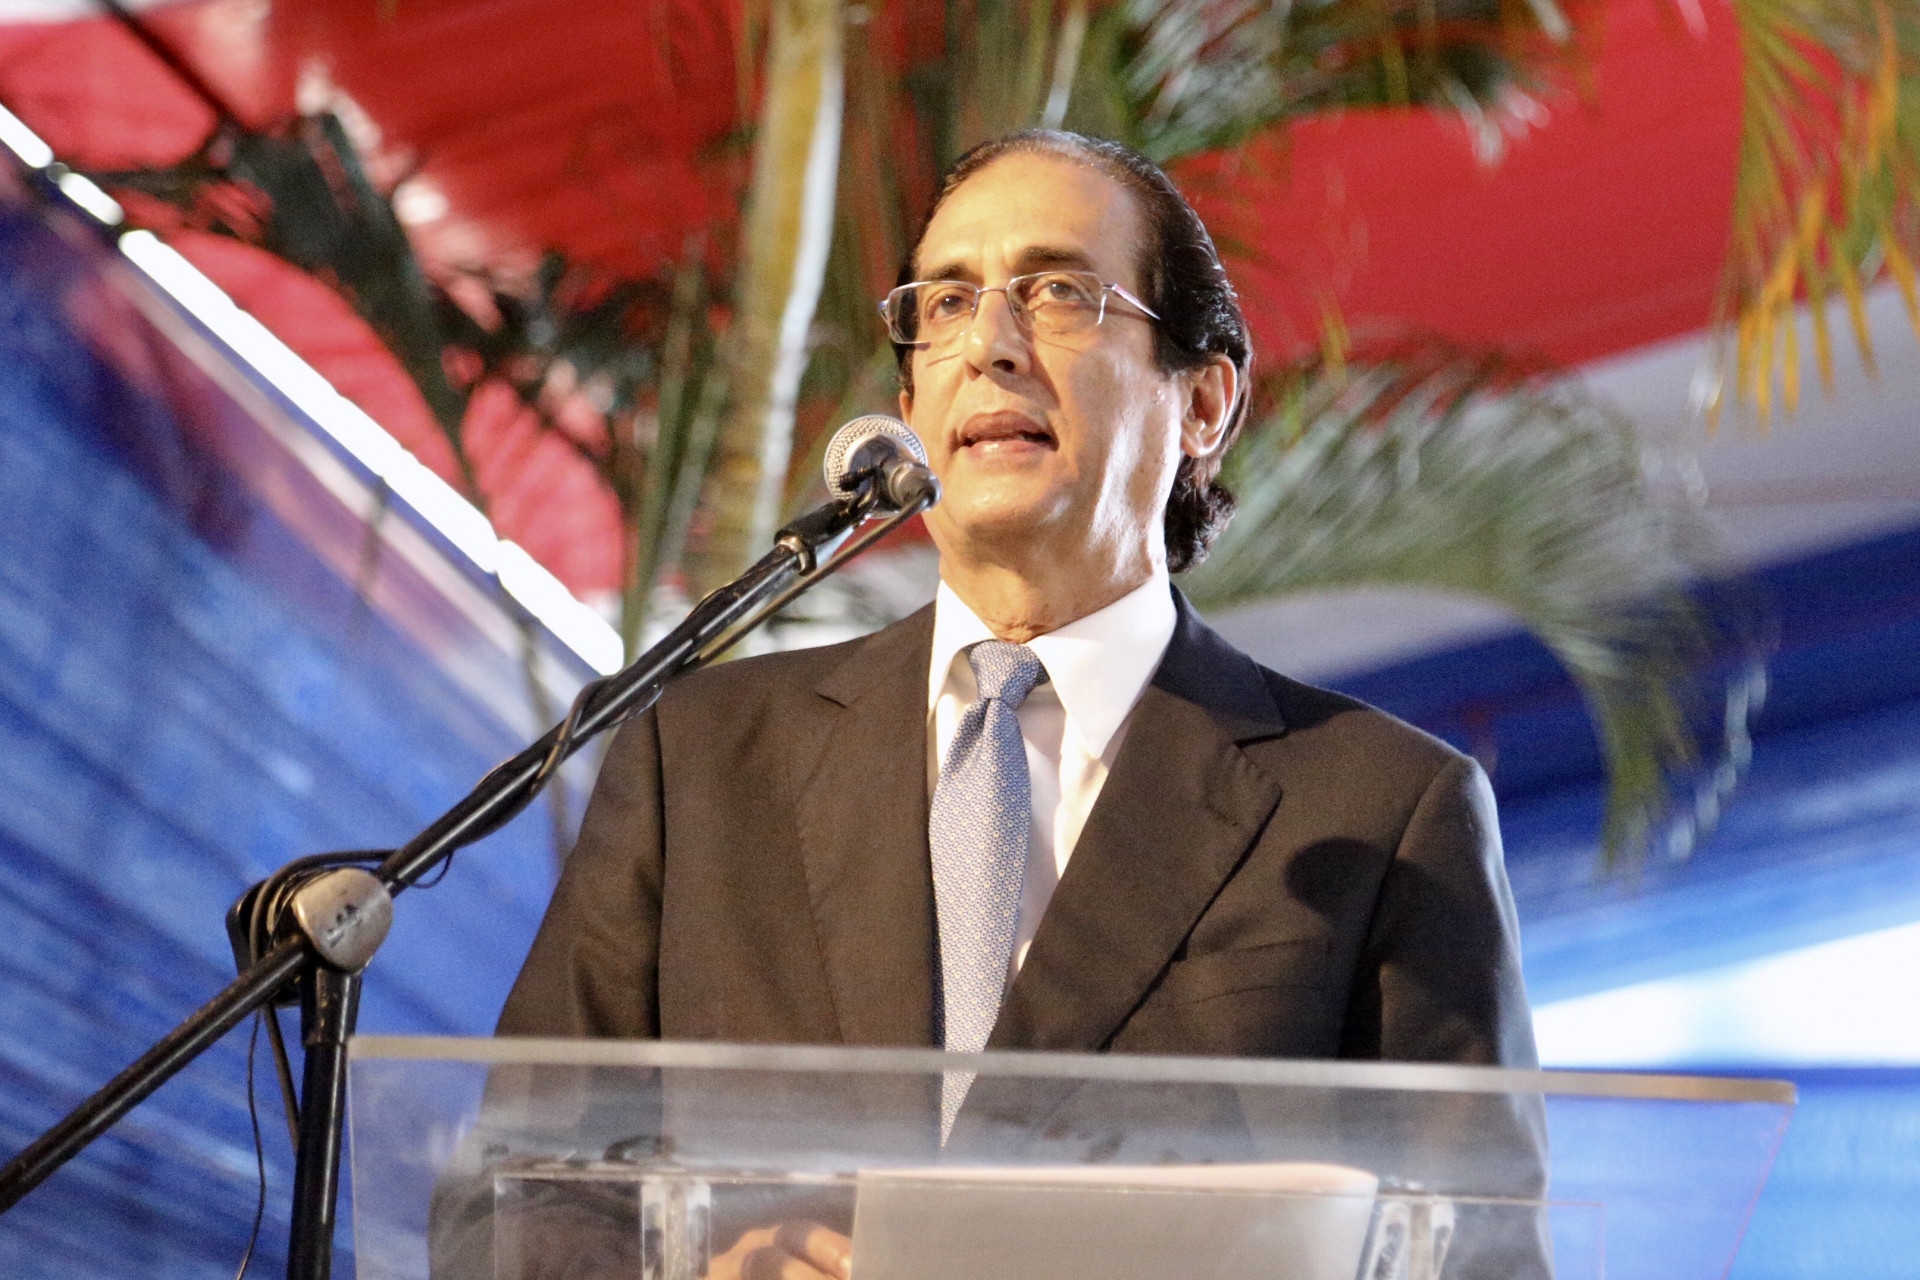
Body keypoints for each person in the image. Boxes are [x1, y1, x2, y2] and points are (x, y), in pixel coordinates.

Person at [490, 129, 1538, 1280]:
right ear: (908, 402)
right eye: (945, 303)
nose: (988, 345)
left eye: (1057, 293)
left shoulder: (1380, 809)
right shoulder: (697, 760)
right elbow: (517, 1199)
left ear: (1202, 402)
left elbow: (1477, 1252)